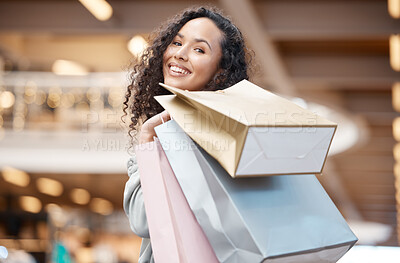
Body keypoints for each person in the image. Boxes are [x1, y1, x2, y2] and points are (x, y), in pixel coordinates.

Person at [122, 6, 252, 263]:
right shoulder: (191, 128)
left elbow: (143, 220)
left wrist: (147, 141)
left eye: (199, 49)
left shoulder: (204, 138)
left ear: (221, 72)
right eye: (177, 43)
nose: (180, 54)